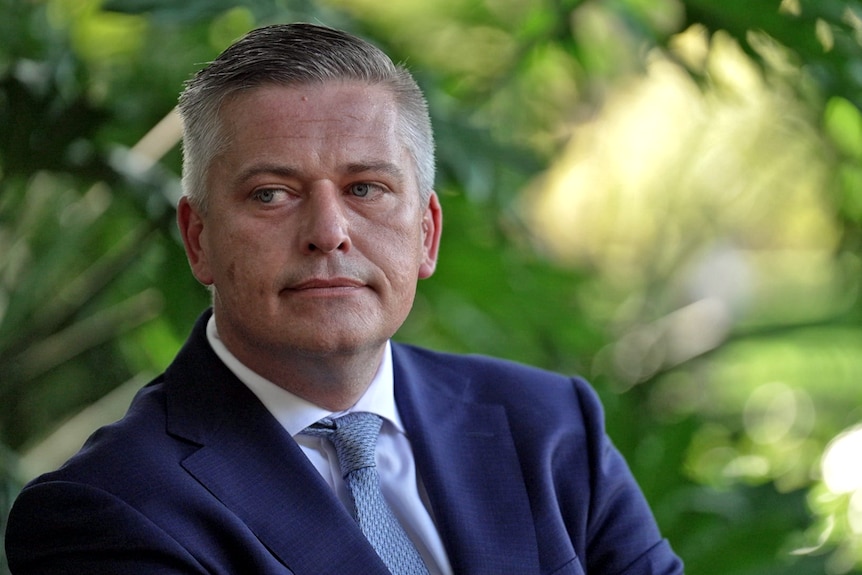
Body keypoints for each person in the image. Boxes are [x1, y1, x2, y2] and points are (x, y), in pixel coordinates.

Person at [5, 23, 684, 575]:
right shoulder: (108, 509)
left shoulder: (552, 427)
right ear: (198, 238)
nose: (328, 231)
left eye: (365, 189)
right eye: (272, 193)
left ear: (426, 234)